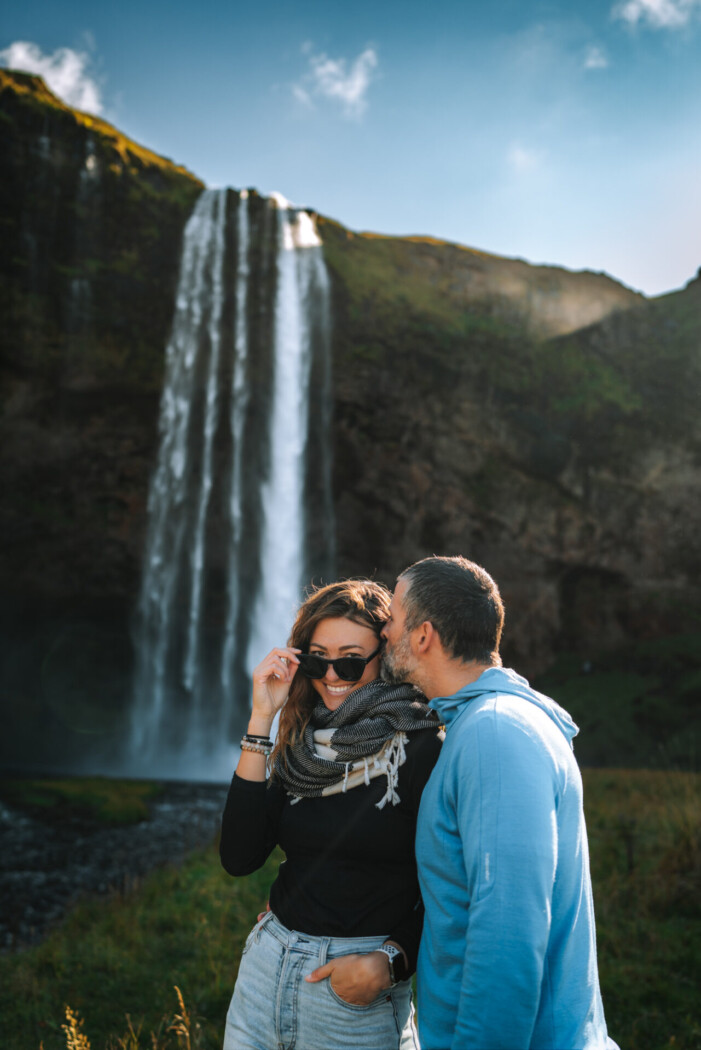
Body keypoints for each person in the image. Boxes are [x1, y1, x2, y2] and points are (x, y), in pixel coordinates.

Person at [381, 555, 619, 1050]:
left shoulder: (494, 733)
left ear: (423, 635)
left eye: (394, 616)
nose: (384, 629)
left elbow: (507, 934)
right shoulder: (490, 724)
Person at [220, 579, 442, 1050]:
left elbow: (450, 885)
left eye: (350, 660)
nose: (331, 675)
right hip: (266, 973)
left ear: (385, 656)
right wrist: (262, 719)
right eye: (318, 659)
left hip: (353, 993)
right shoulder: (302, 744)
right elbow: (240, 857)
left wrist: (390, 962)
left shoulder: (421, 746)